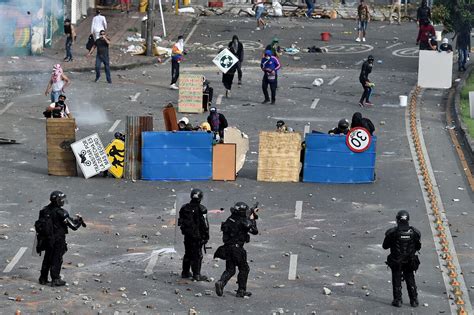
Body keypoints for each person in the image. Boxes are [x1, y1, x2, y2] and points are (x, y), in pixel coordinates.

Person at [35, 191, 86, 286]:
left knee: (47, 258)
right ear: (57, 201)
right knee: (57, 258)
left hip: (47, 238)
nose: (63, 201)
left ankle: (43, 278)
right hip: (58, 239)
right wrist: (79, 221)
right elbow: (74, 226)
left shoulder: (44, 210)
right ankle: (56, 279)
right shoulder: (61, 213)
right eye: (61, 199)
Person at [214, 202, 259, 298]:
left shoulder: (230, 219)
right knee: (244, 269)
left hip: (227, 248)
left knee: (230, 270)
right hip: (237, 249)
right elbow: (254, 231)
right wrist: (253, 218)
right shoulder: (244, 222)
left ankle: (221, 282)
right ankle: (241, 290)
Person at [383, 210, 421, 308]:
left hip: (396, 261)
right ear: (408, 219)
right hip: (410, 261)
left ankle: (398, 300)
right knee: (410, 278)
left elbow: (385, 246)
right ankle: (414, 300)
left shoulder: (392, 233)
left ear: (397, 220)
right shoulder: (415, 233)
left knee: (396, 279)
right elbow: (418, 247)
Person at [178, 189, 209, 281]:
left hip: (187, 235)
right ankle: (197, 274)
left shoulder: (184, 208)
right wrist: (206, 236)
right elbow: (205, 225)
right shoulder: (202, 209)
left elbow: (180, 222)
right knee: (198, 255)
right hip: (197, 236)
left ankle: (185, 272)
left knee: (187, 253)